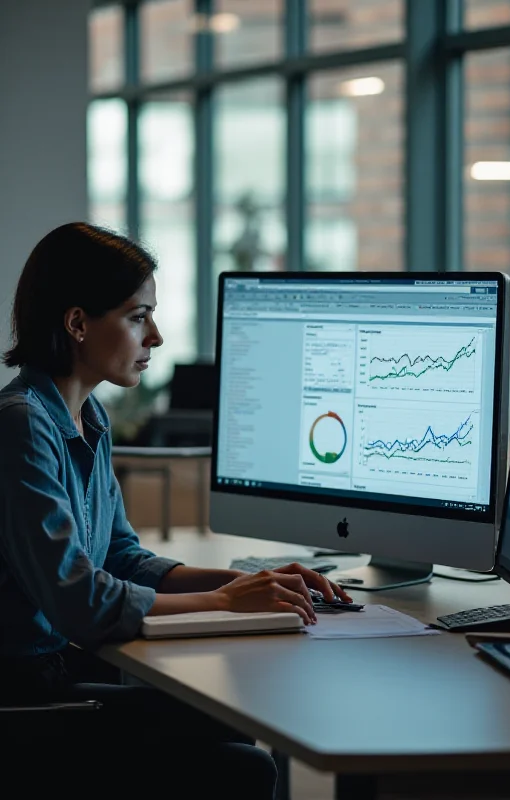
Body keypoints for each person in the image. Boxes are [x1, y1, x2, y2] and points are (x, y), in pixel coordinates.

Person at [0, 222, 352, 788]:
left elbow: (120, 557)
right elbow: (80, 602)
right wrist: (225, 600)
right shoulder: (21, 426)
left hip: (53, 670)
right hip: (19, 694)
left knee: (225, 719)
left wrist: (258, 582)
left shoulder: (88, 418)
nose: (156, 336)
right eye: (139, 316)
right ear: (77, 323)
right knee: (242, 766)